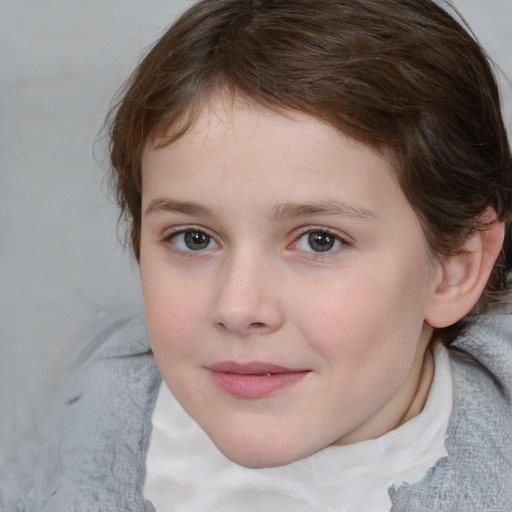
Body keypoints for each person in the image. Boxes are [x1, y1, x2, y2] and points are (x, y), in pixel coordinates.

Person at [3, 0, 511, 510]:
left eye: (319, 240)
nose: (238, 308)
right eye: (194, 238)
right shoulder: (70, 432)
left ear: (453, 271)